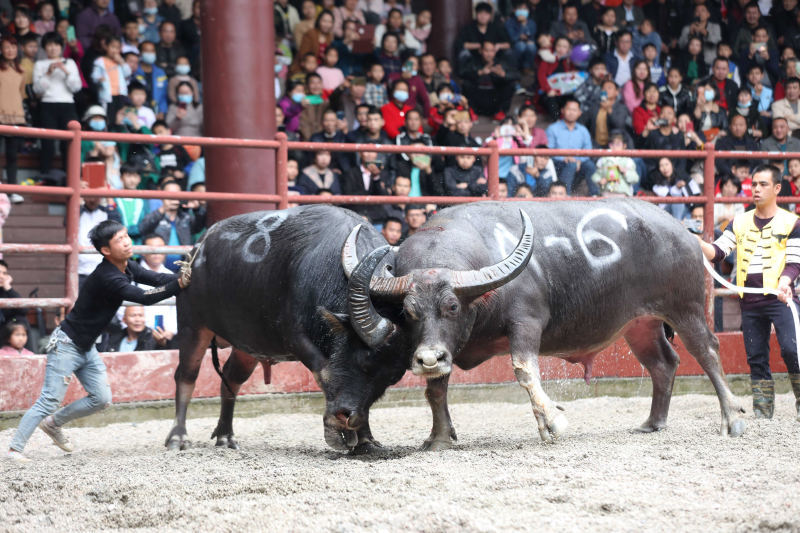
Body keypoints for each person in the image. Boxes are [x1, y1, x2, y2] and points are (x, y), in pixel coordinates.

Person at [6, 219, 189, 461]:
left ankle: (53, 424)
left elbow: (156, 280)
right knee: (49, 399)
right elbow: (144, 297)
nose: (127, 242)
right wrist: (179, 283)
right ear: (105, 250)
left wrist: (186, 278)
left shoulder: (127, 266)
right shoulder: (107, 276)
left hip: (86, 346)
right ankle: (14, 450)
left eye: (126, 236)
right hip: (66, 345)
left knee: (101, 399)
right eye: (120, 240)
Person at [698, 165, 800, 420]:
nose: (756, 189)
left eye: (763, 184)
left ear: (777, 188)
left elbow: (795, 262)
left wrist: (786, 281)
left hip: (781, 299)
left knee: (792, 349)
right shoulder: (739, 221)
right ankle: (763, 412)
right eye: (754, 184)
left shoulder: (792, 222)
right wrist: (693, 241)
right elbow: (717, 252)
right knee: (756, 356)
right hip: (750, 300)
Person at [33, 31, 81, 177]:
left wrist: (65, 71)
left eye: (56, 45)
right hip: (47, 104)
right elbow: (37, 90)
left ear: (61, 47)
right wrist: (48, 73)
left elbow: (76, 87)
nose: (53, 48)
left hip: (67, 104)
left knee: (68, 142)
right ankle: (45, 174)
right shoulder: (40, 64)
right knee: (47, 143)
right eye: (49, 45)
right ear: (45, 48)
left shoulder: (70, 63)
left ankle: (70, 176)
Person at [138, 180, 206, 271]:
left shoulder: (185, 217)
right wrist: (163, 209)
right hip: (156, 269)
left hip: (182, 269)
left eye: (177, 194)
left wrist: (197, 209)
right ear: (161, 196)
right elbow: (142, 229)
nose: (174, 198)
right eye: (170, 194)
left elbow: (198, 227)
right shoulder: (155, 216)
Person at [545, 97, 597, 195]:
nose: (571, 112)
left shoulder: (583, 130)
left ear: (579, 113)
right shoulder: (553, 128)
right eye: (569, 109)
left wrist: (578, 160)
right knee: (571, 164)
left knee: (590, 166)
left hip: (578, 163)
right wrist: (564, 158)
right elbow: (548, 151)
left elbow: (588, 151)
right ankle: (566, 195)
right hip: (558, 162)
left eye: (574, 110)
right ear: (563, 110)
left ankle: (595, 194)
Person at [460, 39, 518, 120]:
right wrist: (480, 72)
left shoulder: (500, 63)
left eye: (492, 51)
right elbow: (462, 74)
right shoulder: (473, 61)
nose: (489, 54)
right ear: (480, 50)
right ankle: (471, 111)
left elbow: (516, 75)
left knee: (510, 84)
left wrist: (503, 75)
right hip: (478, 99)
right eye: (486, 51)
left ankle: (500, 112)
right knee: (466, 83)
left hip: (494, 100)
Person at [0, 36, 25, 193]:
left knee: (12, 156)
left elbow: (21, 95)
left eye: (13, 47)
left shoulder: (21, 71)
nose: (10, 50)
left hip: (16, 117)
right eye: (7, 47)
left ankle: (12, 189)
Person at [101, 305, 173, 352]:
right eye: (133, 316)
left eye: (140, 315)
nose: (137, 319)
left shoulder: (154, 338)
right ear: (124, 319)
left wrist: (162, 344)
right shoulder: (114, 339)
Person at [592, 132, 639, 196]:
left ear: (624, 146)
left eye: (618, 144)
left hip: (623, 193)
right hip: (606, 193)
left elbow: (635, 179)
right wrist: (599, 181)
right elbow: (595, 176)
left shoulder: (628, 161)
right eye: (612, 144)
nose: (614, 147)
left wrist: (625, 171)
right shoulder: (603, 160)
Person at [0, 259, 28, 327]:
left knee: (21, 319)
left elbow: (23, 310)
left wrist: (7, 287)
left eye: (4, 273)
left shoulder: (6, 291)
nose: (1, 276)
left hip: (5, 330)